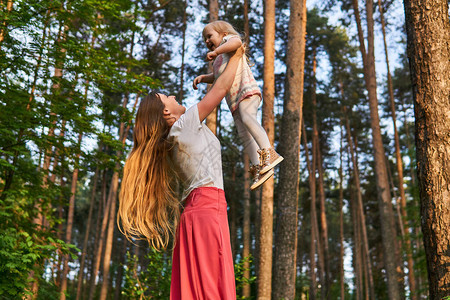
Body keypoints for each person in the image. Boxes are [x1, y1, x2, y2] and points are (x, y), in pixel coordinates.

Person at [118, 46, 245, 300]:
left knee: (200, 290)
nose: (174, 96)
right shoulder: (184, 125)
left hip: (196, 215)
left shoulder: (173, 140)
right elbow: (220, 91)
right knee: (212, 289)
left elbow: (218, 84)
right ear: (167, 113)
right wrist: (238, 53)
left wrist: (217, 68)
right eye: (168, 97)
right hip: (207, 210)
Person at [193, 20, 283, 190]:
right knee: (244, 135)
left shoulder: (229, 41)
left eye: (209, 36)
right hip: (234, 102)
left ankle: (269, 152)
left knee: (249, 119)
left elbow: (237, 42)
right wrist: (204, 78)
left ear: (223, 34)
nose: (207, 41)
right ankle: (261, 166)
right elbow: (217, 76)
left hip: (246, 91)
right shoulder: (219, 60)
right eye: (204, 39)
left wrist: (218, 50)